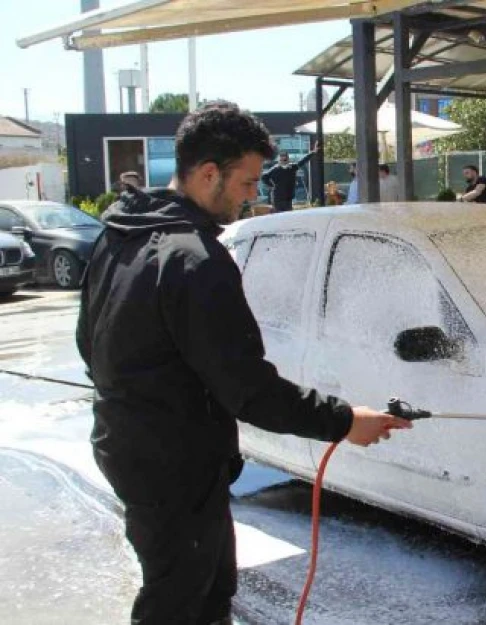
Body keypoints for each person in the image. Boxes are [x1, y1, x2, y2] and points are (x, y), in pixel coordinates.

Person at [76, 102, 413, 625]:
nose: (254, 195)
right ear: (209, 173)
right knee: (178, 602)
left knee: (208, 590)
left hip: (131, 449)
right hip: (173, 468)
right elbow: (249, 389)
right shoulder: (194, 260)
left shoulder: (121, 235)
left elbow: (87, 342)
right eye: (248, 182)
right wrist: (345, 421)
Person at [260, 143, 318, 212]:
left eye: (285, 159)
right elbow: (264, 177)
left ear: (288, 159)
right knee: (279, 215)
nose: (284, 161)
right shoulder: (275, 169)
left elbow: (302, 161)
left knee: (288, 215)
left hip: (288, 198)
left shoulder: (292, 167)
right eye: (282, 160)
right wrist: (271, 185)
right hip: (278, 198)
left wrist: (313, 152)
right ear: (279, 160)